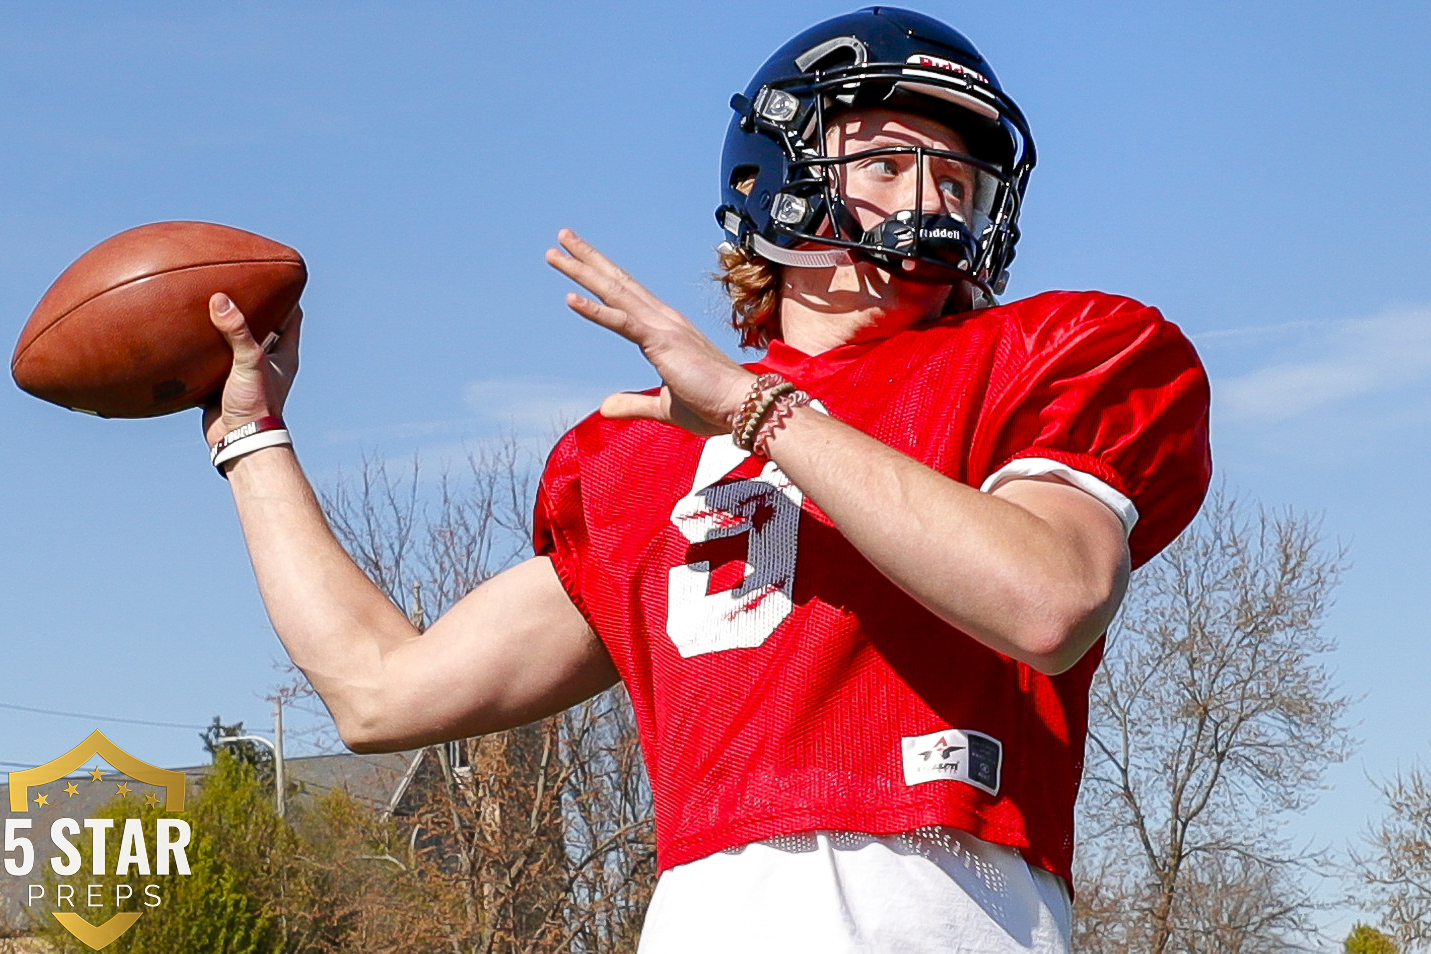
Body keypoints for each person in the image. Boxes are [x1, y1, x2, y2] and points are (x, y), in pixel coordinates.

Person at [203, 8, 1211, 952]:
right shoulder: (637, 450)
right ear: (779, 173)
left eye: (958, 177)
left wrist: (755, 412)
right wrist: (252, 441)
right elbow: (379, 694)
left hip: (947, 898)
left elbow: (1049, 599)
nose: (933, 198)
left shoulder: (1057, 351)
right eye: (891, 161)